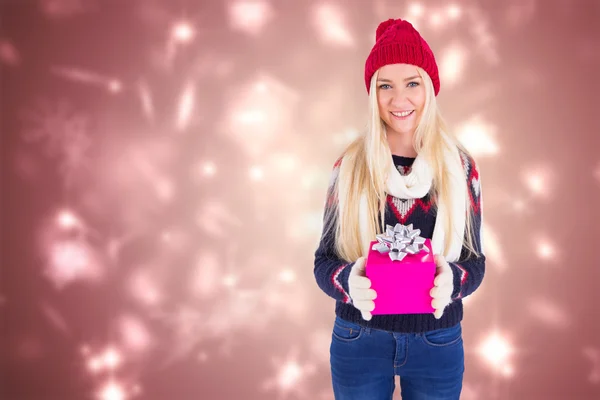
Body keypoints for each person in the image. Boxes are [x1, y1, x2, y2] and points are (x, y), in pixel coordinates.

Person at [313, 18, 486, 400]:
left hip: (437, 341)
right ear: (372, 93)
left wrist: (452, 282)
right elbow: (323, 262)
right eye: (385, 86)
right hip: (359, 339)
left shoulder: (461, 169)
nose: (399, 99)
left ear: (430, 88)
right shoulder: (350, 168)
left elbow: (476, 263)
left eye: (412, 83)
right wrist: (349, 284)